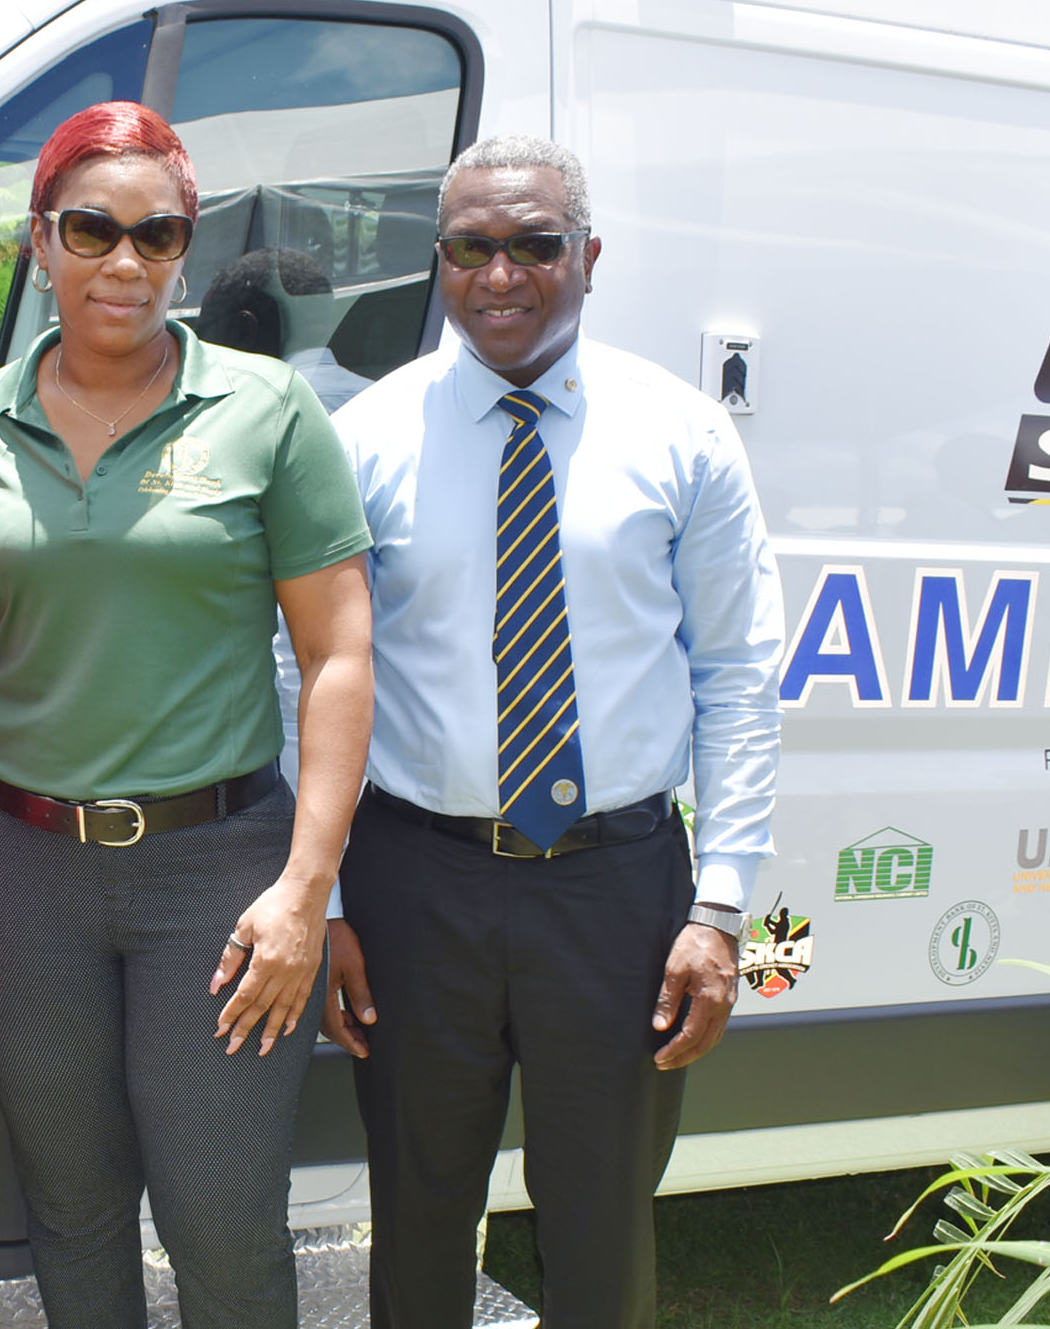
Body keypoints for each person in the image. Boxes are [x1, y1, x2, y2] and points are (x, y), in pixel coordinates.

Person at [0, 101, 374, 1328]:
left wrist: (307, 889)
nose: (124, 262)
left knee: (223, 1217)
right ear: (40, 240)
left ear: (185, 252)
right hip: (19, 873)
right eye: (92, 229)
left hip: (219, 876)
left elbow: (337, 655)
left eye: (158, 236)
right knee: (71, 1207)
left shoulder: (267, 409)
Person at [319, 134, 783, 1328]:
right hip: (416, 884)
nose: (501, 275)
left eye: (534, 244)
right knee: (416, 1213)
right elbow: (306, 673)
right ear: (439, 260)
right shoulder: (365, 438)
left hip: (618, 891)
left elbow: (738, 675)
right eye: (471, 247)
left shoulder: (682, 435)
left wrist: (720, 908)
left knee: (603, 1220)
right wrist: (327, 902)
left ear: (589, 254)